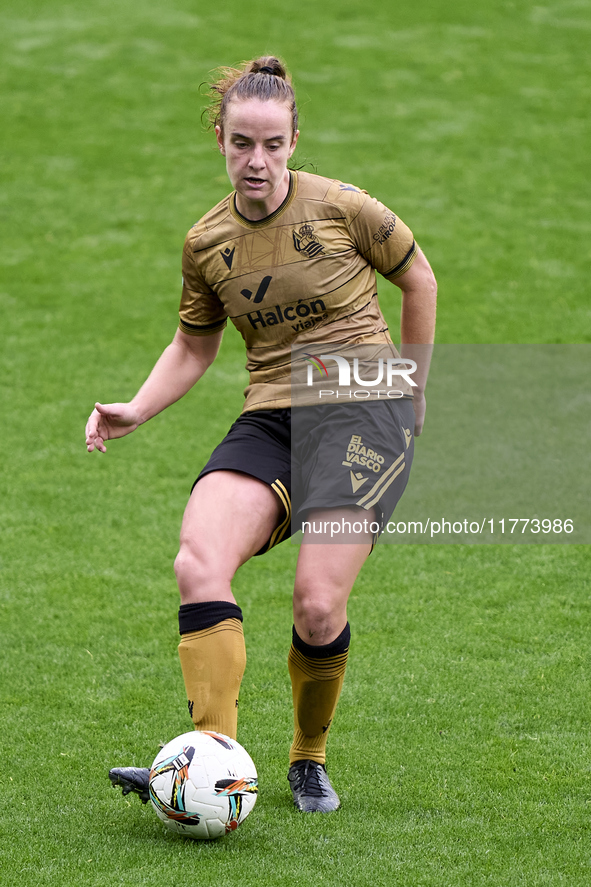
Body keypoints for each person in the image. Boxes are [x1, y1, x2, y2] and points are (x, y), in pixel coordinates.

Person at [85, 56, 437, 814]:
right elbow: (192, 345)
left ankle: (307, 758)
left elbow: (419, 278)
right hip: (274, 413)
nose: (257, 161)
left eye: (273, 144)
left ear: (293, 140)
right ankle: (209, 767)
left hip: (362, 408)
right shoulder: (206, 241)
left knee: (315, 602)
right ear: (219, 138)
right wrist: (134, 408)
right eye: (242, 143)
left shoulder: (343, 207)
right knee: (198, 560)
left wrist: (412, 388)